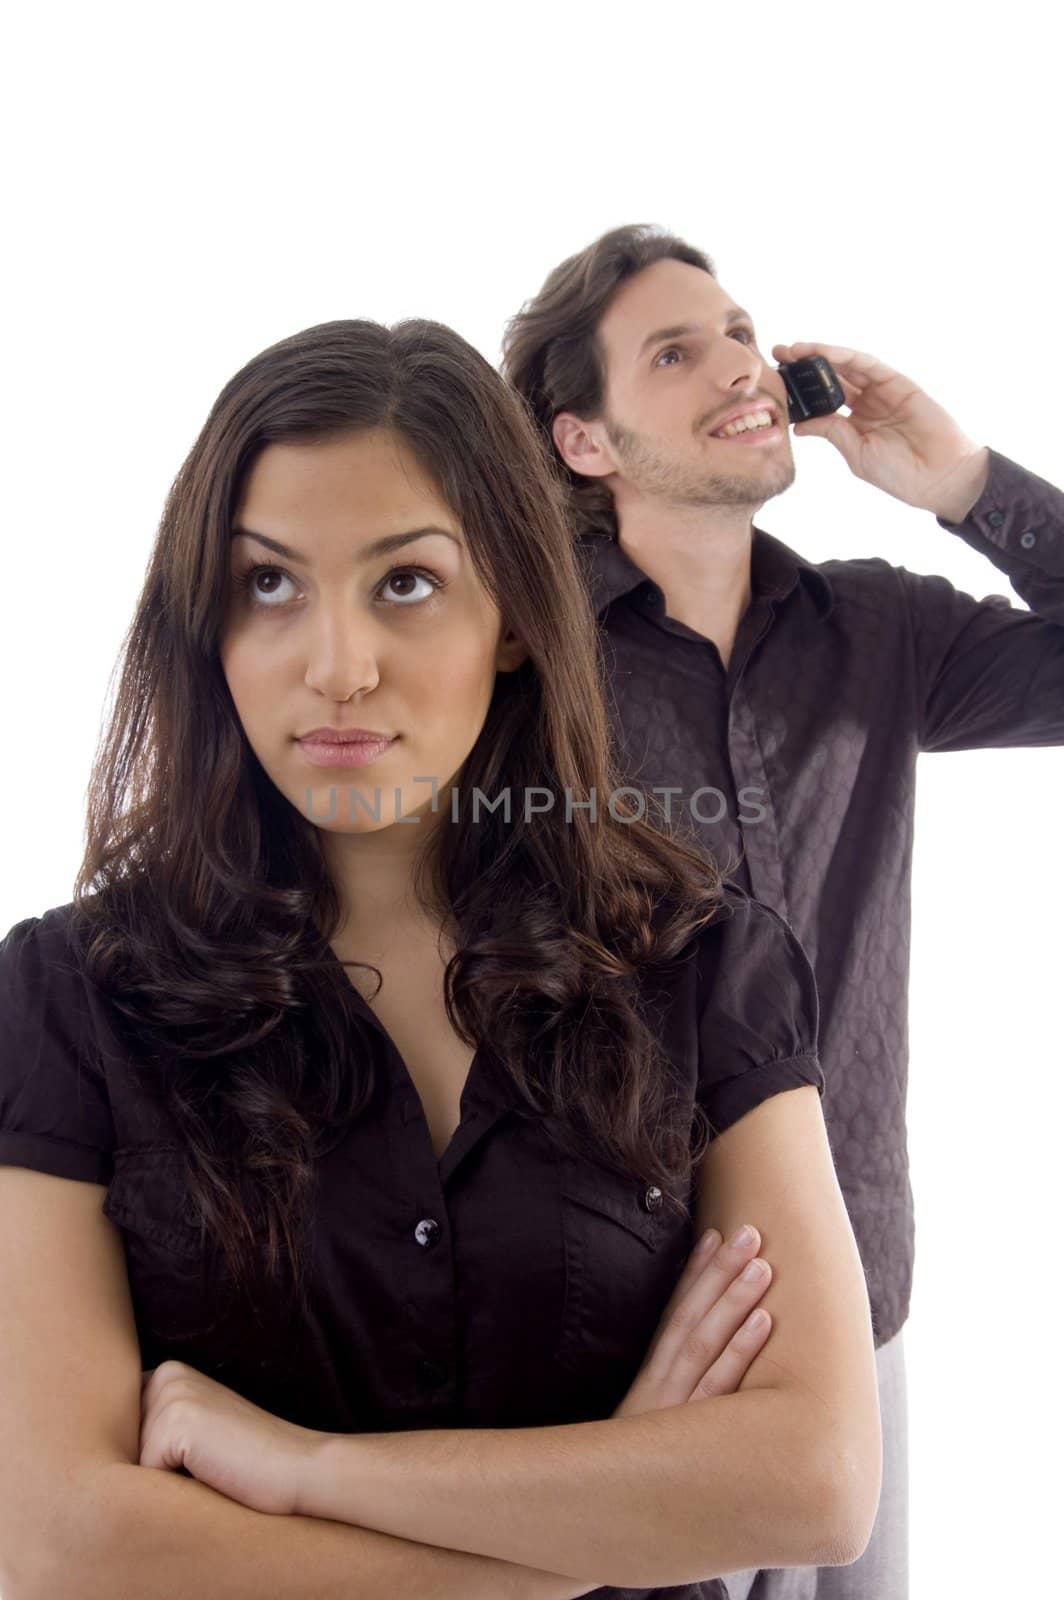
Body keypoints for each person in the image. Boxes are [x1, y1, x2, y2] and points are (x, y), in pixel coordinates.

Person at [0, 316, 881, 1600]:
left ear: (515, 616)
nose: (337, 667)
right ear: (207, 624)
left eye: (404, 582)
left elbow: (813, 1479)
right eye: (269, 584)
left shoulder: (703, 964)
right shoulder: (69, 999)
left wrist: (301, 1468)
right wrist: (582, 1540)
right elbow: (59, 1544)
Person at [500, 223, 1064, 1600]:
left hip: (860, 1298)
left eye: (745, 332)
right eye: (676, 351)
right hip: (634, 1329)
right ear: (586, 443)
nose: (741, 366)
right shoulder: (517, 667)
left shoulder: (879, 635)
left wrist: (969, 483)